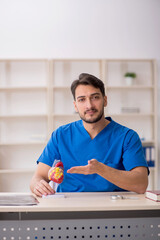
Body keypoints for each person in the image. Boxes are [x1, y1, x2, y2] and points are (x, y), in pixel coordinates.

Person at [30, 73, 149, 197]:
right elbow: (38, 177)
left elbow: (141, 184)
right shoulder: (61, 135)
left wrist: (101, 169)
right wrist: (38, 185)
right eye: (82, 99)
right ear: (75, 105)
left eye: (95, 97)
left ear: (105, 100)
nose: (89, 105)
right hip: (68, 208)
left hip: (113, 208)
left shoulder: (127, 137)